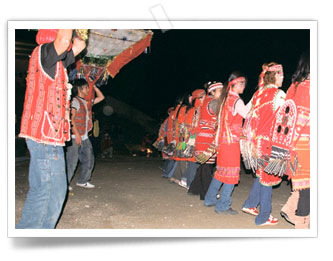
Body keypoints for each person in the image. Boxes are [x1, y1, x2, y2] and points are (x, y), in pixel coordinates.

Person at [16, 29, 87, 229]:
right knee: (45, 192)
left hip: (49, 136)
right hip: (43, 136)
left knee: (55, 192)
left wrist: (79, 30)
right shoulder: (46, 53)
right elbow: (64, 40)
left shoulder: (56, 62)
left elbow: (79, 45)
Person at [241, 62, 286, 225]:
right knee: (267, 179)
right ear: (274, 75)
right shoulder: (279, 95)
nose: (283, 77)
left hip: (256, 142)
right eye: (281, 74)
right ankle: (263, 217)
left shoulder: (258, 94)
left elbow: (247, 115)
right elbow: (285, 120)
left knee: (262, 174)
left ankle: (250, 204)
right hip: (269, 143)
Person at [203, 73, 251, 215]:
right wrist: (256, 99)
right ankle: (223, 205)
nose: (243, 86)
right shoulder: (236, 100)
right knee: (231, 174)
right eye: (241, 83)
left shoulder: (225, 99)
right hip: (231, 143)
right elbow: (247, 113)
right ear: (233, 84)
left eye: (244, 83)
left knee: (220, 172)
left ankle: (210, 199)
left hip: (223, 142)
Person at [279, 52, 310, 228]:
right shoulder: (312, 87)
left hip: (294, 143)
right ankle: (301, 225)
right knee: (308, 187)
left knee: (304, 185)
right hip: (307, 144)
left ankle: (291, 209)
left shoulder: (294, 86)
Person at [66, 79, 104, 190]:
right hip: (75, 136)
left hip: (84, 136)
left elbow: (101, 98)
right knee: (72, 162)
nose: (88, 90)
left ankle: (83, 181)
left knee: (89, 159)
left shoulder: (85, 102)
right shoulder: (75, 102)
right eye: (86, 87)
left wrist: (94, 87)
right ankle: (64, 184)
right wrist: (76, 134)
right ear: (79, 89)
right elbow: (71, 118)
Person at [188, 82, 222, 199]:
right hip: (207, 139)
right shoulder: (213, 102)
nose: (222, 93)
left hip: (201, 138)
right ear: (212, 92)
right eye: (219, 90)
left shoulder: (205, 102)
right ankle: (207, 194)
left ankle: (194, 188)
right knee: (207, 167)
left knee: (203, 166)